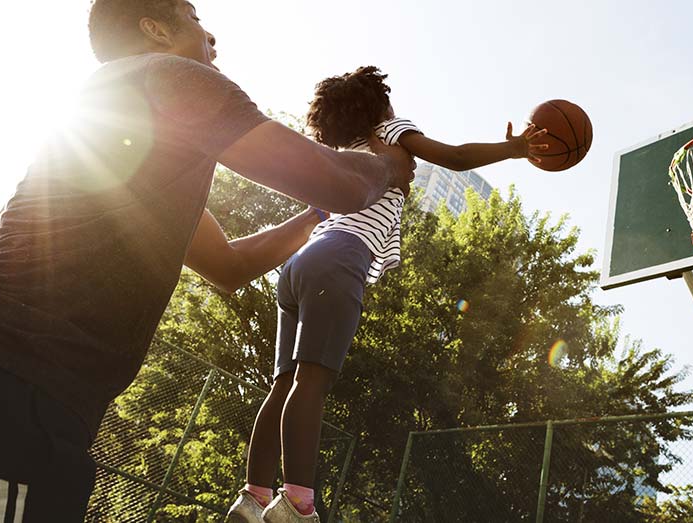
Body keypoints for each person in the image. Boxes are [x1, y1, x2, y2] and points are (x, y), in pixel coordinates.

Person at [0, 1, 415, 520]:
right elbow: (342, 183)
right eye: (193, 18)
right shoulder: (168, 73)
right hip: (18, 380)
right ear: (155, 30)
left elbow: (229, 265)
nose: (211, 37)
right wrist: (386, 163)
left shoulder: (141, 144)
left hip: (40, 392)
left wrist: (312, 216)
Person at [226, 66, 547, 523]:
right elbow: (454, 156)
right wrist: (512, 150)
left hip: (300, 264)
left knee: (282, 386)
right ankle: (297, 505)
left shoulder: (348, 150)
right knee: (311, 384)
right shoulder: (391, 133)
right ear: (379, 107)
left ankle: (254, 497)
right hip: (341, 258)